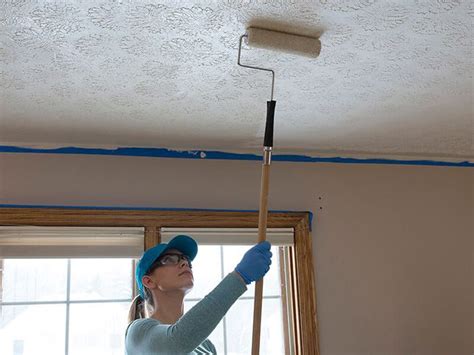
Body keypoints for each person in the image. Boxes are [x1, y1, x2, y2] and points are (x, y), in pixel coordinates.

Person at [125, 234, 272, 354]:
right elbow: (175, 342)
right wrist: (239, 278)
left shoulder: (206, 347)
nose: (184, 263)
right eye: (169, 259)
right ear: (149, 281)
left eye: (186, 260)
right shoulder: (137, 333)